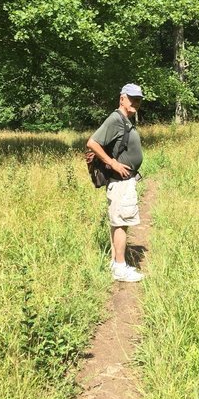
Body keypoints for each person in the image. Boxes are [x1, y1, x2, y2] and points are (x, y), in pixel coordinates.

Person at [87, 83, 144, 282]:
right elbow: (92, 143)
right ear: (122, 98)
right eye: (132, 98)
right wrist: (112, 163)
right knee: (121, 223)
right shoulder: (116, 119)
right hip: (120, 182)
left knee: (118, 221)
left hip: (125, 181)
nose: (136, 102)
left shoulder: (125, 120)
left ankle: (115, 261)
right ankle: (120, 267)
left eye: (138, 99)